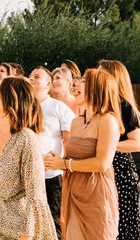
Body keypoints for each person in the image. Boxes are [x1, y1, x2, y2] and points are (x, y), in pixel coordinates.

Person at [0, 76, 56, 240]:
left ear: (11, 99)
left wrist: (27, 233)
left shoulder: (26, 139)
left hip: (17, 233)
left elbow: (36, 194)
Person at [44, 69, 122, 240]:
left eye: (84, 81)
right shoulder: (76, 122)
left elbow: (102, 163)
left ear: (98, 88)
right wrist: (55, 159)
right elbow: (72, 156)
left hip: (96, 193)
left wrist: (64, 164)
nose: (76, 83)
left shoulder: (108, 121)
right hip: (73, 189)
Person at [98, 59, 140, 240]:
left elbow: (137, 144)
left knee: (122, 224)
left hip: (120, 173)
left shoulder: (124, 107)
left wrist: (107, 144)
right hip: (102, 170)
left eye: (100, 73)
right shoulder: (101, 106)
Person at [28, 67, 75, 239]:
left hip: (50, 175)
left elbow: (69, 141)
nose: (31, 78)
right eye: (30, 76)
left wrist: (61, 162)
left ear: (48, 84)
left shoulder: (59, 108)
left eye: (37, 76)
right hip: (24, 175)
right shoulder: (21, 105)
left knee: (52, 221)